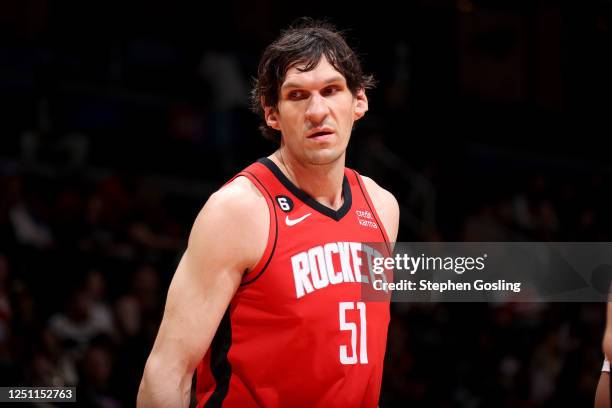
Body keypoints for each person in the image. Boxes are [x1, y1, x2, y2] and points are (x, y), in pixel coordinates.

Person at [137, 19, 400, 407]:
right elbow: (166, 373)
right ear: (272, 113)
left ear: (358, 101)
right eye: (297, 96)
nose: (317, 111)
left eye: (331, 90)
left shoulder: (382, 207)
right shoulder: (239, 210)